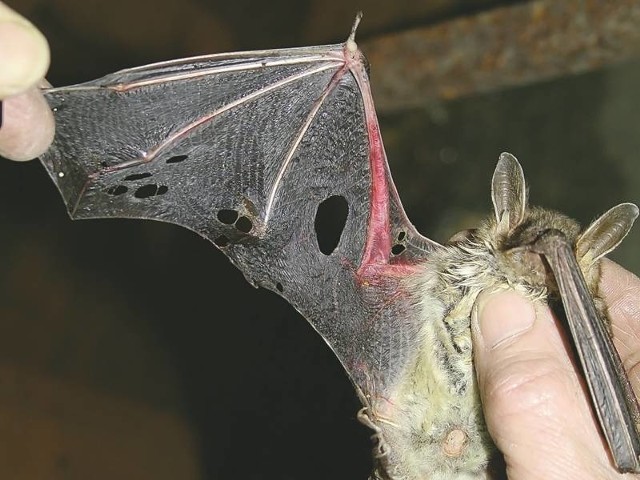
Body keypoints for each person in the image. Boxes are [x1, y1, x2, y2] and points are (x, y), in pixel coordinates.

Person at [2, 3, 640, 478]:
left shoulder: (575, 337)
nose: (527, 275)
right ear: (506, 216)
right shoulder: (423, 273)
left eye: (545, 272)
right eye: (524, 256)